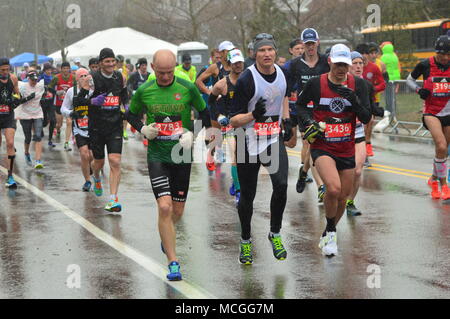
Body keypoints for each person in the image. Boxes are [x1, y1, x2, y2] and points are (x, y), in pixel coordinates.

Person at [126, 49, 212, 281]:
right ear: (153, 67)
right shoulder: (144, 91)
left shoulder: (187, 87)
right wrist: (143, 129)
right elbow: (130, 114)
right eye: (161, 72)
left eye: (169, 72)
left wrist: (192, 135)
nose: (165, 77)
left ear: (175, 68)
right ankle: (173, 262)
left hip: (182, 156)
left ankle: (166, 235)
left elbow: (205, 113)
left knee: (177, 211)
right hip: (158, 157)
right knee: (164, 207)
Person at [297, 44, 371, 257]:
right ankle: (331, 233)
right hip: (323, 145)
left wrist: (354, 100)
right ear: (329, 61)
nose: (341, 69)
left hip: (346, 146)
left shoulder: (358, 85)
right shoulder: (316, 83)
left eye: (345, 65)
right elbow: (301, 106)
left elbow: (366, 118)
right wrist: (308, 123)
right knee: (334, 189)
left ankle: (329, 230)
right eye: (337, 64)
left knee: (343, 197)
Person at [230, 33, 295, 265]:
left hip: (271, 139)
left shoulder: (283, 73)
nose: (267, 54)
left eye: (270, 50)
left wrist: (287, 121)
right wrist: (253, 115)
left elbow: (284, 95)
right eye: (261, 50)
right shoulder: (247, 80)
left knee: (281, 184)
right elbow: (233, 120)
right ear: (254, 54)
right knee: (248, 196)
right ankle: (246, 240)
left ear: (275, 52)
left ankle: (275, 233)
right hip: (247, 140)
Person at [406, 35, 450, 200]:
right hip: (432, 112)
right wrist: (419, 90)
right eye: (442, 54)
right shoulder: (425, 65)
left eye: (449, 54)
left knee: (443, 151)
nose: (445, 58)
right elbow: (409, 80)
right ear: (436, 52)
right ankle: (444, 185)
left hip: (449, 113)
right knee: (441, 144)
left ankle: (433, 178)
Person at [289, 28, 329, 200]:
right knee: (312, 143)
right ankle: (321, 188)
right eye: (307, 44)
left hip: (323, 108)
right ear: (303, 45)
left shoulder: (327, 62)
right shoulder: (295, 64)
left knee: (316, 145)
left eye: (313, 43)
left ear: (318, 43)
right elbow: (286, 87)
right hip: (304, 109)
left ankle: (304, 171)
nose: (310, 47)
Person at [89, 48, 129, 212]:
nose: (111, 64)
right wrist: (92, 101)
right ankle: (96, 177)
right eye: (107, 61)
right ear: (100, 64)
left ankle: (113, 199)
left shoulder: (120, 77)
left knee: (115, 161)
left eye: (113, 61)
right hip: (97, 127)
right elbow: (81, 100)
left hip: (114, 126)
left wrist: (126, 105)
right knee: (99, 162)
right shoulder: (92, 79)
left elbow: (124, 94)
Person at [346, 51, 385, 216]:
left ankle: (350, 202)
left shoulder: (366, 85)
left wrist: (377, 110)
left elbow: (369, 106)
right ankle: (334, 195)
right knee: (342, 173)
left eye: (361, 63)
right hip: (338, 135)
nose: (358, 66)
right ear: (347, 65)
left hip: (358, 133)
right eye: (354, 63)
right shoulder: (337, 83)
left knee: (357, 171)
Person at [208, 48, 245, 206]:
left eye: (240, 62)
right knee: (236, 155)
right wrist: (219, 116)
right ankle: (238, 191)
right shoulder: (222, 84)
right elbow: (210, 102)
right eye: (235, 62)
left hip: (247, 123)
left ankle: (236, 181)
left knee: (248, 161)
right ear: (229, 63)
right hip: (229, 125)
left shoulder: (249, 79)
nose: (238, 65)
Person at [61, 68, 94, 192]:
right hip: (79, 129)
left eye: (86, 75)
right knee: (84, 154)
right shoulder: (71, 91)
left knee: (92, 156)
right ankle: (87, 181)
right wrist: (71, 113)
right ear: (77, 79)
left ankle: (91, 167)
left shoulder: (93, 90)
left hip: (93, 128)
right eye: (81, 76)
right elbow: (63, 108)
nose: (84, 78)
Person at [355, 43, 386, 160]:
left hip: (372, 100)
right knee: (360, 124)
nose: (363, 57)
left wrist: (372, 89)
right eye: (360, 54)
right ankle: (360, 146)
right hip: (357, 101)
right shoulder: (353, 67)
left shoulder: (374, 68)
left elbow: (383, 84)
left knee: (369, 122)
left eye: (365, 54)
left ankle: (367, 144)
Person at [15, 69, 46, 169]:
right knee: (28, 137)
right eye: (32, 80)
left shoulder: (40, 86)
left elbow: (46, 89)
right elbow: (17, 101)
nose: (34, 82)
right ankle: (27, 153)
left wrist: (46, 95)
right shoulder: (22, 87)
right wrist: (27, 98)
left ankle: (38, 160)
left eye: (35, 80)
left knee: (38, 136)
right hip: (25, 114)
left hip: (37, 114)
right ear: (28, 79)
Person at [0, 58, 20, 187]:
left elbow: (17, 94)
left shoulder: (13, 79)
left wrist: (16, 100)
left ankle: (10, 176)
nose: (5, 72)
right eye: (2, 70)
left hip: (8, 115)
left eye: (7, 69)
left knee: (10, 143)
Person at [48, 61, 74, 151]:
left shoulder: (73, 78)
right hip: (59, 104)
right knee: (59, 124)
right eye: (64, 68)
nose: (66, 70)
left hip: (69, 105)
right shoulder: (56, 78)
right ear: (61, 69)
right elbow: (49, 87)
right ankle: (58, 130)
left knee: (69, 122)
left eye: (67, 68)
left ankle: (66, 143)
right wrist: (56, 92)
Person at [127, 58, 150, 143]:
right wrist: (133, 91)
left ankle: (145, 137)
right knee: (137, 117)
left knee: (146, 117)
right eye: (142, 65)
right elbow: (128, 86)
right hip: (136, 100)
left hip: (147, 100)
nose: (144, 67)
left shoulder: (149, 75)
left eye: (145, 65)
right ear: (139, 66)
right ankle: (134, 126)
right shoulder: (134, 75)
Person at [39, 63, 57, 147]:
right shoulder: (40, 78)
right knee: (45, 123)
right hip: (42, 103)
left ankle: (50, 140)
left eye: (50, 70)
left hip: (51, 102)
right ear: (44, 70)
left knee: (53, 120)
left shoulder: (53, 78)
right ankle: (39, 129)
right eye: (48, 70)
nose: (49, 71)